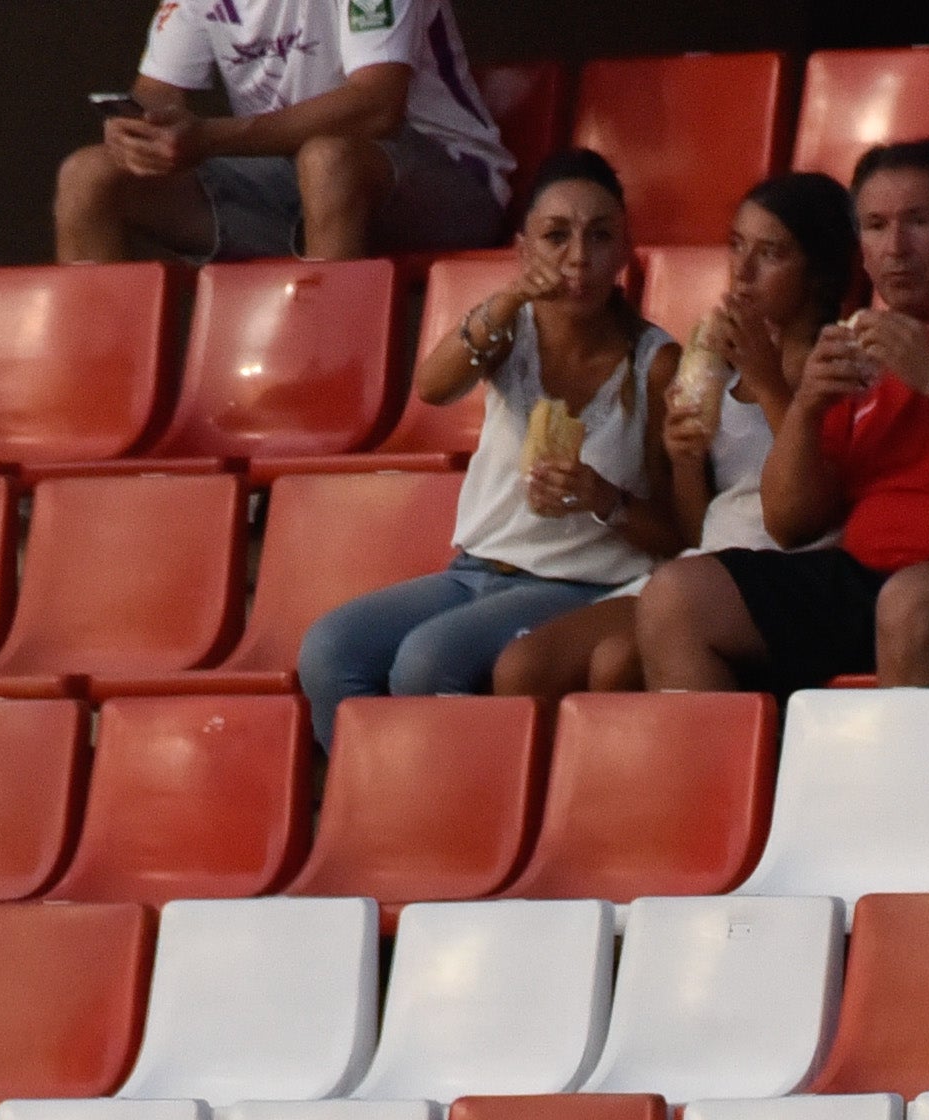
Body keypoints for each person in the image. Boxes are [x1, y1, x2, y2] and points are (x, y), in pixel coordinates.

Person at [635, 139, 929, 695]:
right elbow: (790, 525)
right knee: (677, 597)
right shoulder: (856, 344)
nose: (896, 248)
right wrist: (808, 410)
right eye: (876, 226)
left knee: (913, 602)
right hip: (878, 585)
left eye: (918, 222)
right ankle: (727, 784)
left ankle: (926, 786)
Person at [294, 152, 686, 749]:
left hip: (579, 584)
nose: (578, 257)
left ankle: (452, 824)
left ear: (625, 253)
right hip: (475, 572)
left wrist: (602, 497)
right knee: (329, 650)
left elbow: (679, 530)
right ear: (524, 251)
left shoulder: (655, 363)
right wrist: (506, 301)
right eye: (556, 237)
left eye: (600, 237)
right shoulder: (510, 329)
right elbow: (432, 387)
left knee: (426, 664)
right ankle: (380, 810)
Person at [495, 172, 862, 702]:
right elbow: (694, 532)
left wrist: (767, 378)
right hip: (704, 562)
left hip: (782, 573)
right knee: (523, 669)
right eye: (737, 246)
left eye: (773, 253)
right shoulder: (721, 366)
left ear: (819, 272)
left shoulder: (836, 358)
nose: (744, 271)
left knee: (615, 665)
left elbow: (816, 501)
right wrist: (684, 458)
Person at [57, 0, 509, 265]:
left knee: (329, 162)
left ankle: (326, 389)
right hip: (291, 189)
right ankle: (87, 403)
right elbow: (156, 94)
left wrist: (210, 137)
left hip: (450, 183)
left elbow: (376, 107)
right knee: (89, 175)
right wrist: (138, 132)